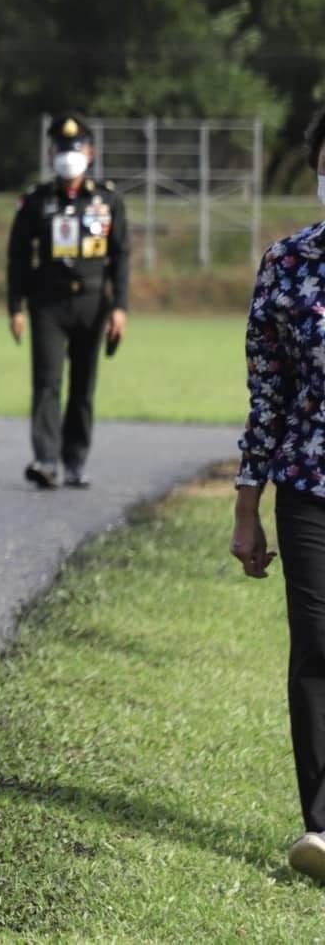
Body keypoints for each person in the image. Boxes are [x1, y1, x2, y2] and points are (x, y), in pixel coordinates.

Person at [235, 106, 325, 885]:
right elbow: (267, 393)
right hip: (309, 488)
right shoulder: (287, 264)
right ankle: (321, 825)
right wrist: (246, 504)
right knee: (317, 649)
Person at [6, 114, 130, 488]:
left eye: (74, 149)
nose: (67, 156)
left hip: (93, 305)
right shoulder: (36, 200)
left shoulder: (107, 199)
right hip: (47, 305)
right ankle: (45, 459)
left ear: (89, 153)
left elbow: (121, 255)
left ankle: (75, 461)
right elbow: (17, 256)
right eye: (61, 149)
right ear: (50, 153)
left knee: (83, 385)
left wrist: (120, 307)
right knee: (46, 382)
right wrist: (15, 306)